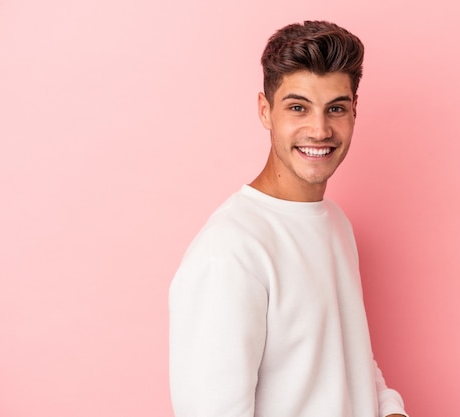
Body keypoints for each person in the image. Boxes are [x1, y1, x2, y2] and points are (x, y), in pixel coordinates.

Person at [169, 20, 408, 417]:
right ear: (265, 111)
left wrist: (391, 411)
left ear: (353, 112)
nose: (320, 129)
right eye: (298, 107)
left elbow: (350, 359)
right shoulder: (230, 253)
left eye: (336, 109)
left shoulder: (334, 222)